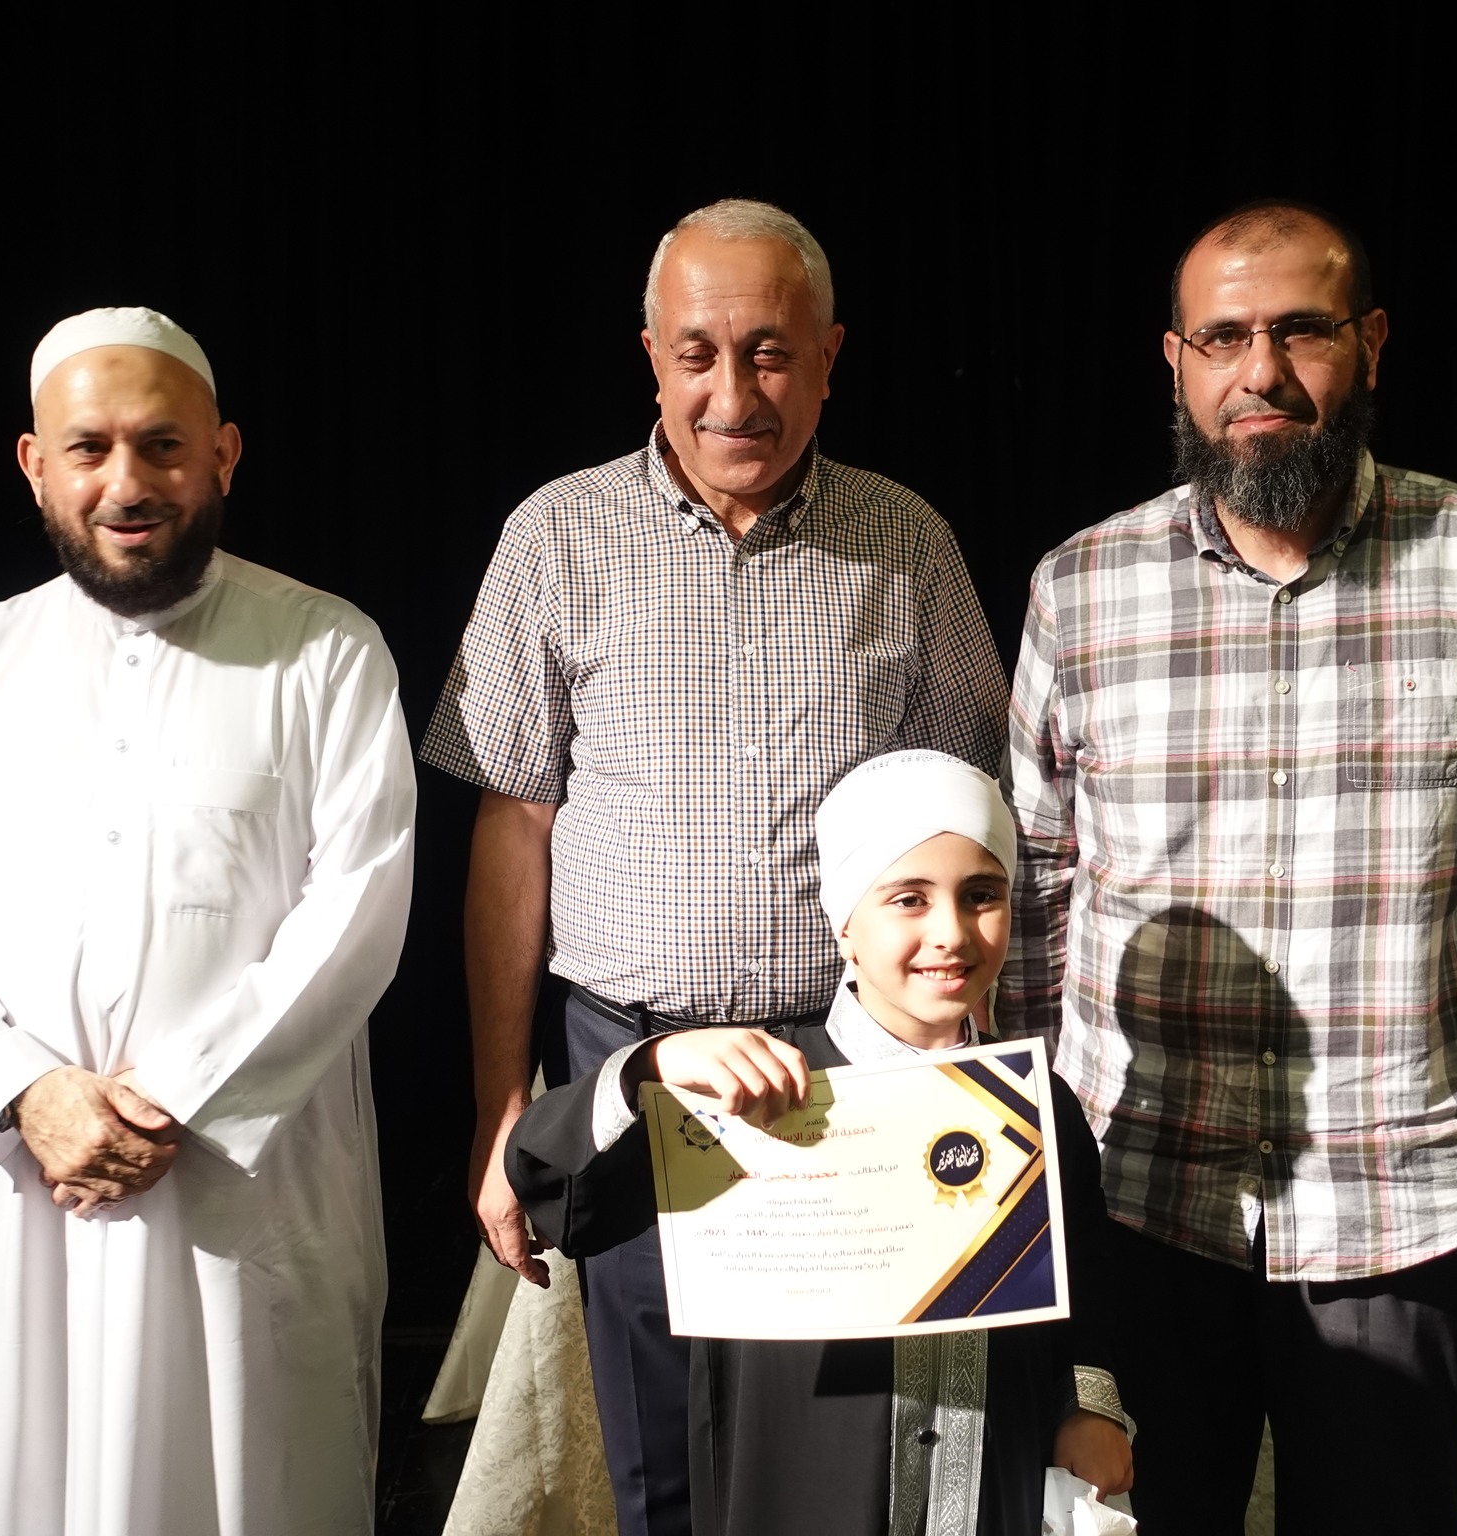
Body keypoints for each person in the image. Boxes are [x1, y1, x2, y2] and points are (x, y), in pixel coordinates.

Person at [1002, 201, 1457, 1534]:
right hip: (1141, 1198)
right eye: (1223, 338)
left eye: (1301, 331)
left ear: (1371, 342)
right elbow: (1036, 904)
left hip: (1402, 1204)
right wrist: (1027, 1174)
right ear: (1175, 361)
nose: (1262, 372)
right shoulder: (1081, 588)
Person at [421, 199, 1006, 1533]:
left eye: (771, 353)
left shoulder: (905, 543)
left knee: (841, 1472)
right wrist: (501, 1107)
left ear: (830, 355)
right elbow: (514, 826)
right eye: (697, 354)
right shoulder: (554, 536)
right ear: (651, 356)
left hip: (849, 1078)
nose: (733, 395)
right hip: (633, 1073)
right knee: (658, 1472)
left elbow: (974, 827)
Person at [0, 307, 416, 1535]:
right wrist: (25, 1092)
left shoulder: (325, 652)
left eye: (162, 445)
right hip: (36, 1194)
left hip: (248, 1198)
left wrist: (172, 1099)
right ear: (33, 463)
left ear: (222, 454)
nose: (127, 483)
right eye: (89, 447)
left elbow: (357, 908)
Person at [506, 750, 1133, 1536]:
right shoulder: (751, 1097)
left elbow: (1087, 1288)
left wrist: (1090, 1404)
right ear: (844, 920)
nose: (950, 933)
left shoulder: (1039, 1108)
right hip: (796, 1497)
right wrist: (650, 1068)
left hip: (990, 1496)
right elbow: (557, 1191)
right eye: (908, 899)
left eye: (982, 895)